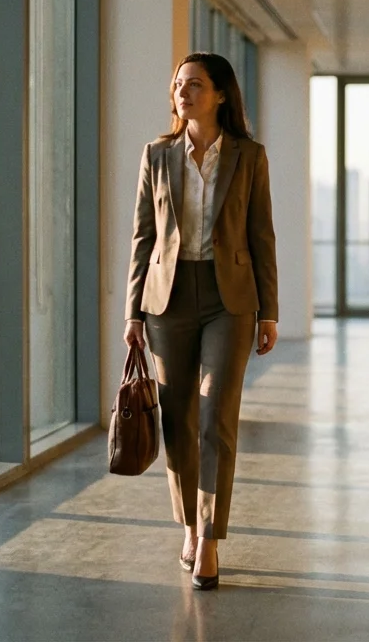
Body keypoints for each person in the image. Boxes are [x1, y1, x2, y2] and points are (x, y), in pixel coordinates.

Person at [123, 52, 278, 591]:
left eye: (194, 84)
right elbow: (143, 236)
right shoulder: (156, 154)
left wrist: (271, 312)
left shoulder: (249, 156)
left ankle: (209, 538)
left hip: (228, 299)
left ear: (220, 95)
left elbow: (262, 235)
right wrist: (132, 311)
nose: (182, 92)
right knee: (178, 419)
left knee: (216, 416)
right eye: (177, 84)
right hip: (166, 300)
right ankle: (187, 524)